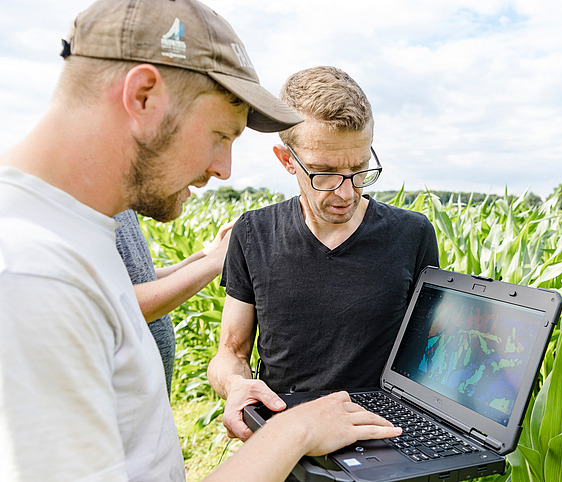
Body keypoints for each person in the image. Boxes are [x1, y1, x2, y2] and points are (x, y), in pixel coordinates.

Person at [0, 1, 399, 480]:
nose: (223, 169)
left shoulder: (80, 237)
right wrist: (293, 433)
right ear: (143, 96)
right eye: (219, 134)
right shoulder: (33, 271)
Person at [207, 66, 440, 441]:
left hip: (382, 437)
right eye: (324, 172)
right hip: (284, 437)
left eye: (359, 168)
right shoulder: (253, 233)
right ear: (286, 161)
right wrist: (235, 384)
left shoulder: (413, 235)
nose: (346, 192)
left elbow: (430, 350)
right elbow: (230, 351)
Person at [114, 209, 233, 394]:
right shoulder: (86, 204)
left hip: (144, 391)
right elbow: (114, 303)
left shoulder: (122, 210)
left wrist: (210, 253)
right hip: (119, 393)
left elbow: (143, 279)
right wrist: (216, 261)